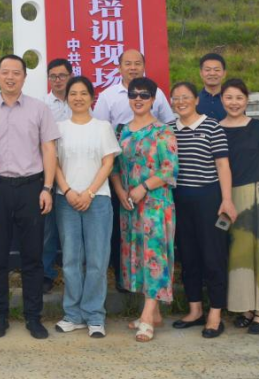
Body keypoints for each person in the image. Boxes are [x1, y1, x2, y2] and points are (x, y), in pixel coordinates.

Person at [0, 54, 60, 340]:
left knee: (32, 256)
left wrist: (47, 188)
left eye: (16, 73)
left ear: (24, 77)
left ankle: (33, 317)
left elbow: (49, 149)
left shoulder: (39, 108)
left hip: (31, 188)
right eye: (5, 72)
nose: (10, 77)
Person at [92, 48, 174, 292]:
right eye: (127, 63)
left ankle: (152, 301)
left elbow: (169, 136)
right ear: (119, 67)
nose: (133, 67)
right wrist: (119, 190)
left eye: (137, 63)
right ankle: (127, 284)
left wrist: (145, 186)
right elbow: (100, 133)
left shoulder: (159, 101)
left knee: (154, 247)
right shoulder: (109, 98)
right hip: (123, 182)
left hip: (154, 191)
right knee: (126, 239)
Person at [109, 76, 178, 343]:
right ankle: (154, 312)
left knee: (154, 255)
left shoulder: (163, 131)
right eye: (133, 94)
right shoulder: (121, 130)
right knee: (137, 256)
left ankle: (148, 317)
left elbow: (170, 169)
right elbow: (114, 167)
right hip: (129, 204)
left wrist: (144, 187)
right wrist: (120, 191)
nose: (138, 99)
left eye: (144, 95)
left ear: (153, 99)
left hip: (155, 204)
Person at [53, 76, 119, 338]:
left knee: (97, 260)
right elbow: (54, 163)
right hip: (66, 200)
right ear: (66, 98)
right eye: (73, 93)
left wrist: (89, 192)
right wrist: (68, 191)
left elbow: (108, 163)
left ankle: (94, 315)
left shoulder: (102, 127)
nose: (78, 98)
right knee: (70, 259)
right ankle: (73, 314)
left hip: (98, 199)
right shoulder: (58, 128)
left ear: (92, 97)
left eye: (83, 93)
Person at [168, 81, 235, 338]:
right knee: (188, 256)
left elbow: (222, 165)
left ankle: (215, 313)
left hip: (208, 198)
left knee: (213, 256)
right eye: (176, 98)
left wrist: (226, 200)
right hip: (179, 199)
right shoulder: (168, 129)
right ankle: (195, 310)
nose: (181, 102)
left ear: (196, 100)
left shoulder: (211, 126)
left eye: (186, 97)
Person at [220, 78, 259, 335]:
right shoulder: (216, 128)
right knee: (238, 255)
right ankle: (244, 307)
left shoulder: (256, 127)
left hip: (256, 194)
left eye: (239, 98)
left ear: (247, 100)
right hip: (228, 197)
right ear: (222, 100)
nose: (234, 103)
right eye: (229, 97)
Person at [39, 58, 73, 294]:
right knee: (48, 227)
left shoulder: (80, 100)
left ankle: (75, 272)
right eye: (53, 76)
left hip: (76, 170)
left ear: (70, 76)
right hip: (49, 170)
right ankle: (46, 272)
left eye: (62, 75)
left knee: (73, 226)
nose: (58, 80)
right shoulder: (42, 105)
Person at [197, 53, 228, 121]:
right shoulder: (194, 101)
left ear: (224, 73)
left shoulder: (232, 101)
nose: (212, 73)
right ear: (201, 73)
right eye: (207, 70)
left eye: (217, 70)